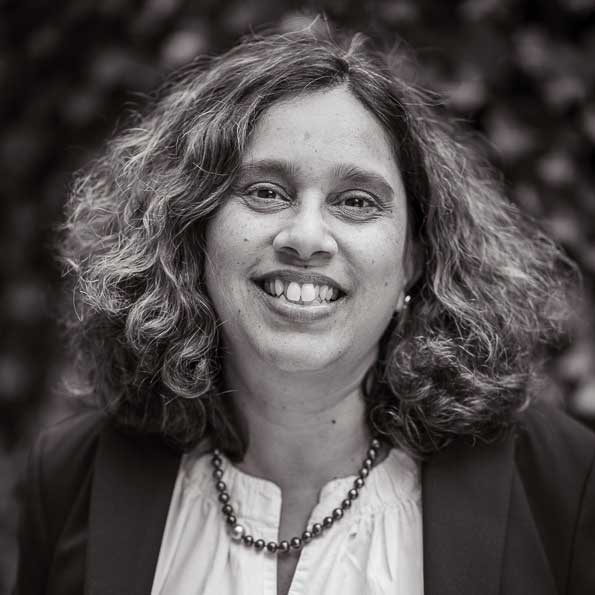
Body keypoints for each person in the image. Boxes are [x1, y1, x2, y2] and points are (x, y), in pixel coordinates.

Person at [15, 26, 594, 595]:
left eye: (356, 201)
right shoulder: (70, 478)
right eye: (266, 191)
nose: (307, 238)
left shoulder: (565, 485)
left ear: (414, 261)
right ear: (192, 231)